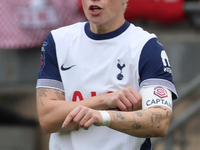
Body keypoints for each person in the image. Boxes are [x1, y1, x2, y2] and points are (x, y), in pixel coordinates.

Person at [36, 0, 178, 149]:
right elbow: (47, 119)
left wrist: (103, 117)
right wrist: (104, 101)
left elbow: (159, 121)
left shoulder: (146, 47)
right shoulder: (58, 41)